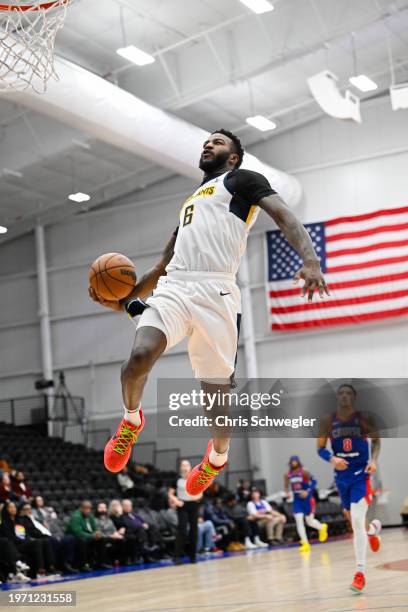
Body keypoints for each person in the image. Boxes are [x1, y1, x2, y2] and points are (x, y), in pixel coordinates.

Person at [89, 129, 329, 494]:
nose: (208, 144)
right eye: (207, 141)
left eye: (218, 142)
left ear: (233, 157)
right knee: (139, 356)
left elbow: (285, 216)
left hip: (216, 291)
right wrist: (122, 299)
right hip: (175, 286)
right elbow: (160, 267)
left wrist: (310, 260)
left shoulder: (242, 180)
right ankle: (130, 421)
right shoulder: (189, 203)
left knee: (215, 398)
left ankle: (216, 458)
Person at [317, 384, 382, 593]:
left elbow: (377, 441)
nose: (344, 396)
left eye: (348, 394)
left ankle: (360, 573)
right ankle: (373, 531)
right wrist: (332, 458)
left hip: (361, 475)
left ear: (354, 398)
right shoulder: (328, 420)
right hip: (341, 477)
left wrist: (373, 459)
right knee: (354, 520)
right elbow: (320, 448)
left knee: (355, 519)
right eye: (341, 393)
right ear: (337, 398)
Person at [284, 455, 328, 552]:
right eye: (292, 461)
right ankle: (305, 543)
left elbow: (314, 481)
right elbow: (286, 485)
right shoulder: (287, 474)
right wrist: (287, 492)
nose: (293, 463)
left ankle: (322, 527)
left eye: (295, 461)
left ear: (298, 462)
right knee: (299, 521)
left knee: (309, 521)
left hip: (307, 499)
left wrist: (307, 491)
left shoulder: (304, 471)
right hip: (297, 500)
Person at [0, 502, 49, 578]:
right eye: (11, 507)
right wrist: (25, 541)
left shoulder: (18, 521)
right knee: (36, 543)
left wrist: (28, 539)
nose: (13, 509)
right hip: (15, 545)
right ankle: (39, 571)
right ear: (6, 510)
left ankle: (43, 569)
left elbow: (25, 533)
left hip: (24, 543)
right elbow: (10, 537)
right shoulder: (4, 523)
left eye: (14, 507)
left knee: (40, 542)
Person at [168, 459, 202, 564]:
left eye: (186, 465)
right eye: (183, 466)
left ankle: (193, 556)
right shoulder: (176, 480)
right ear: (180, 468)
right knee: (181, 530)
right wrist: (176, 501)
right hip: (182, 506)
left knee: (194, 531)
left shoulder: (195, 478)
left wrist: (195, 497)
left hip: (193, 506)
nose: (185, 467)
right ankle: (177, 556)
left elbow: (201, 492)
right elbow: (170, 494)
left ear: (190, 467)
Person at [65, 501, 111, 571]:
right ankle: (82, 565)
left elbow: (94, 528)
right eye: (86, 509)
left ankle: (100, 563)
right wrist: (92, 536)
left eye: (89, 509)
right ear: (81, 509)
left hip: (88, 536)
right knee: (82, 540)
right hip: (75, 538)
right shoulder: (76, 517)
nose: (88, 511)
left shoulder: (90, 515)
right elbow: (78, 532)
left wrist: (97, 533)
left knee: (102, 539)